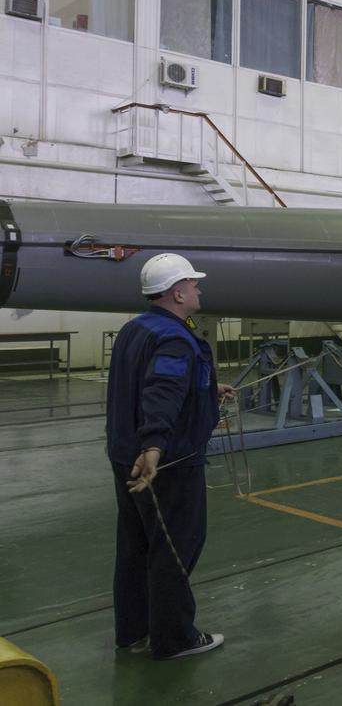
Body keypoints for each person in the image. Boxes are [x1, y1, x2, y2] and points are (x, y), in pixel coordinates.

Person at [107, 253, 234, 660]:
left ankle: (132, 632)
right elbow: (161, 390)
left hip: (125, 456)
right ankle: (174, 638)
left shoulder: (135, 329)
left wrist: (205, 392)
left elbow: (152, 382)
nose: (199, 290)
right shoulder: (177, 338)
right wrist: (155, 447)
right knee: (175, 548)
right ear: (178, 292)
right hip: (166, 465)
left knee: (135, 546)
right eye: (194, 285)